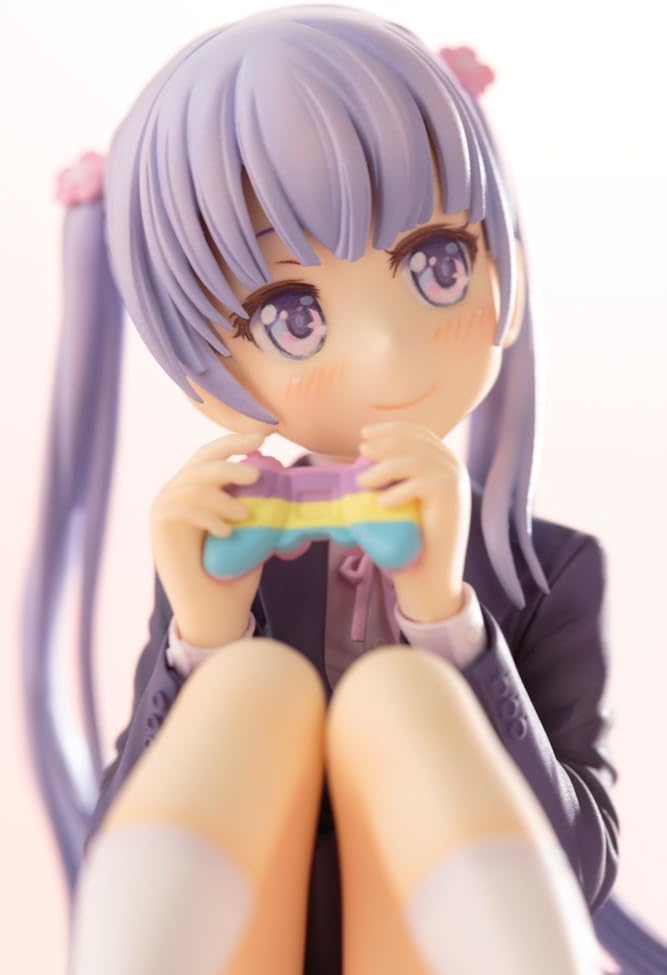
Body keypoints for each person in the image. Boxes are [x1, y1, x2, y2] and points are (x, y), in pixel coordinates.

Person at [21, 6, 667, 973]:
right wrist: (202, 640)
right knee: (252, 685)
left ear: (505, 267)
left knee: (403, 693)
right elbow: (114, 846)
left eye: (438, 264)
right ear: (204, 377)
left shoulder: (547, 570)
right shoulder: (231, 563)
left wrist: (447, 622)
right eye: (291, 316)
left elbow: (577, 874)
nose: (384, 348)